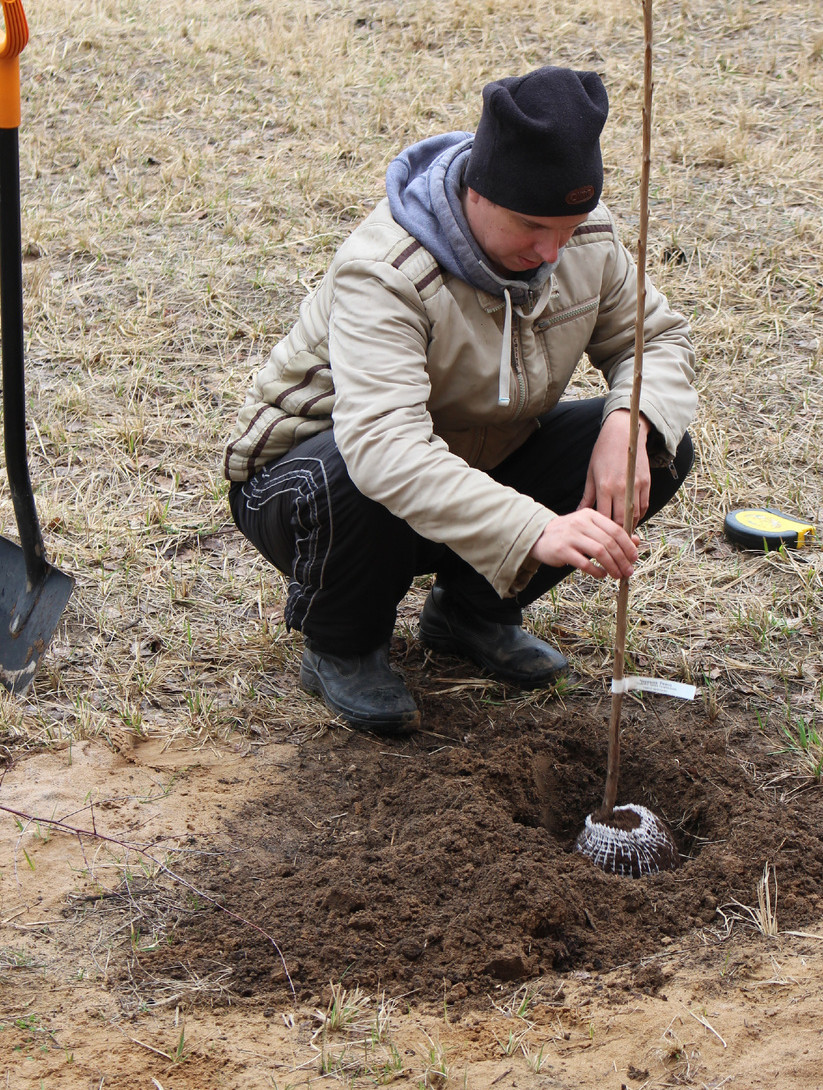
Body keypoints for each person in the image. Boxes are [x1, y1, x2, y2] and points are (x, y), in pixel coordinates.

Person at [224, 67, 696, 734]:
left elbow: (656, 340)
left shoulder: (583, 238)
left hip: (466, 464)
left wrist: (631, 420)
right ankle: (343, 644)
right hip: (306, 486)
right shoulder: (386, 270)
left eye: (569, 224)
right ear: (478, 192)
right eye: (531, 225)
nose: (551, 250)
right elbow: (384, 449)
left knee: (659, 441)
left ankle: (472, 613)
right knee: (358, 471)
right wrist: (535, 527)